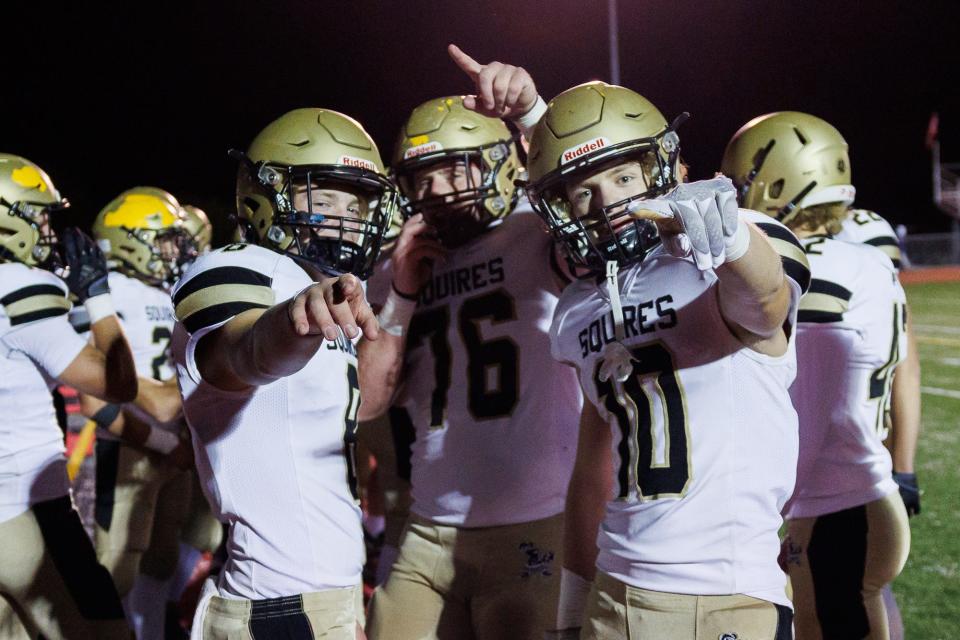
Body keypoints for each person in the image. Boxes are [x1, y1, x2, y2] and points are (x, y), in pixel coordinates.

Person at [510, 64, 810, 638]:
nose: (607, 203)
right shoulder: (578, 306)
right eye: (583, 193)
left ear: (664, 164)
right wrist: (573, 609)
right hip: (612, 592)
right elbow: (593, 468)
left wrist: (730, 242)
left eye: (623, 178)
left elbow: (767, 301)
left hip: (725, 598)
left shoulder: (731, 244)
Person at [364, 80, 582, 638]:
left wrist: (534, 114)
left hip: (534, 523)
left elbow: (585, 184)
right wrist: (403, 296)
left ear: (499, 162)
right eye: (421, 177)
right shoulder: (400, 265)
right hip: (427, 527)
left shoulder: (536, 231)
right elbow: (366, 404)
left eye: (453, 169)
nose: (436, 190)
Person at [171, 107, 399, 638]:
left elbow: (361, 403)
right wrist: (292, 325)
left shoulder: (313, 283)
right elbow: (243, 352)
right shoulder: (242, 267)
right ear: (262, 198)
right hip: (283, 607)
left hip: (306, 599)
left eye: (356, 202)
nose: (346, 217)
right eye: (322, 200)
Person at [722, 111, 911, 640]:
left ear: (777, 180)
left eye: (742, 180)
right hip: (864, 489)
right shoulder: (866, 260)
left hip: (831, 502)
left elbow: (814, 402)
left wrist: (772, 504)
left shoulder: (812, 270)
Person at [0, 153, 137, 638]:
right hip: (27, 508)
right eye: (37, 215)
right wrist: (97, 295)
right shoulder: (18, 285)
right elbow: (119, 383)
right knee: (106, 632)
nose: (47, 228)